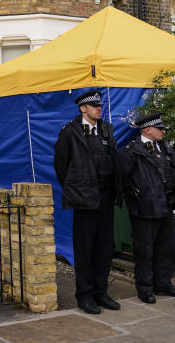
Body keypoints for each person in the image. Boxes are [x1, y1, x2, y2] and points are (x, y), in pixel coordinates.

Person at [53, 89, 121, 315]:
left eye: (100, 106)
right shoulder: (70, 133)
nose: (98, 108)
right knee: (84, 249)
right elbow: (61, 166)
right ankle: (84, 295)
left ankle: (100, 292)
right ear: (83, 108)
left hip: (105, 197)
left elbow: (112, 161)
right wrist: (77, 189)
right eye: (94, 106)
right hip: (84, 199)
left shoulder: (105, 130)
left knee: (104, 248)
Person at [119, 112, 175, 303]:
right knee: (145, 250)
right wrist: (136, 199)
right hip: (145, 208)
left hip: (165, 206)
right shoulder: (132, 151)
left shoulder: (165, 148)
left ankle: (163, 283)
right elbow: (123, 179)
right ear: (147, 130)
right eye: (159, 128)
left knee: (166, 248)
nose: (163, 131)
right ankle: (145, 288)